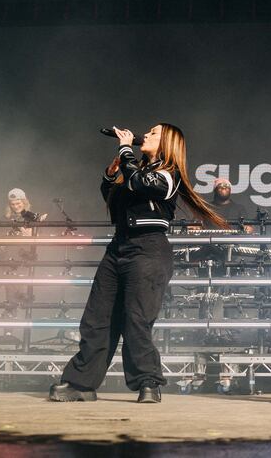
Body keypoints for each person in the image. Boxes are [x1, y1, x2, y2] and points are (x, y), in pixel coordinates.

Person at [49, 123, 227, 403]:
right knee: (97, 318)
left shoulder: (170, 175)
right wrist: (110, 175)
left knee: (136, 319)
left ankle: (148, 382)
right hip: (118, 247)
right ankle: (80, 384)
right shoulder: (135, 171)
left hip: (149, 249)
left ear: (168, 143)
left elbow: (143, 184)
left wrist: (124, 149)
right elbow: (114, 198)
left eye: (154, 133)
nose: (147, 134)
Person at [0, 189, 42, 324]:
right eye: (13, 204)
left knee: (13, 296)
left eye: (18, 203)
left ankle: (9, 331)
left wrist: (29, 236)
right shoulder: (4, 218)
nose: (16, 206)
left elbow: (37, 241)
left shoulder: (32, 218)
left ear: (24, 202)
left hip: (17, 263)